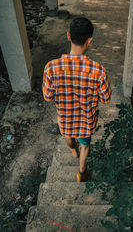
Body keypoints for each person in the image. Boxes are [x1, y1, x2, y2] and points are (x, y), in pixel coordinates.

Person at [42, 17, 112, 182]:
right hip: (86, 121)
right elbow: (106, 98)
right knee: (85, 145)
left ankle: (72, 148)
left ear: (68, 36)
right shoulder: (98, 71)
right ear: (90, 40)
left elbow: (47, 97)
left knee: (67, 135)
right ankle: (81, 173)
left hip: (66, 119)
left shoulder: (51, 68)